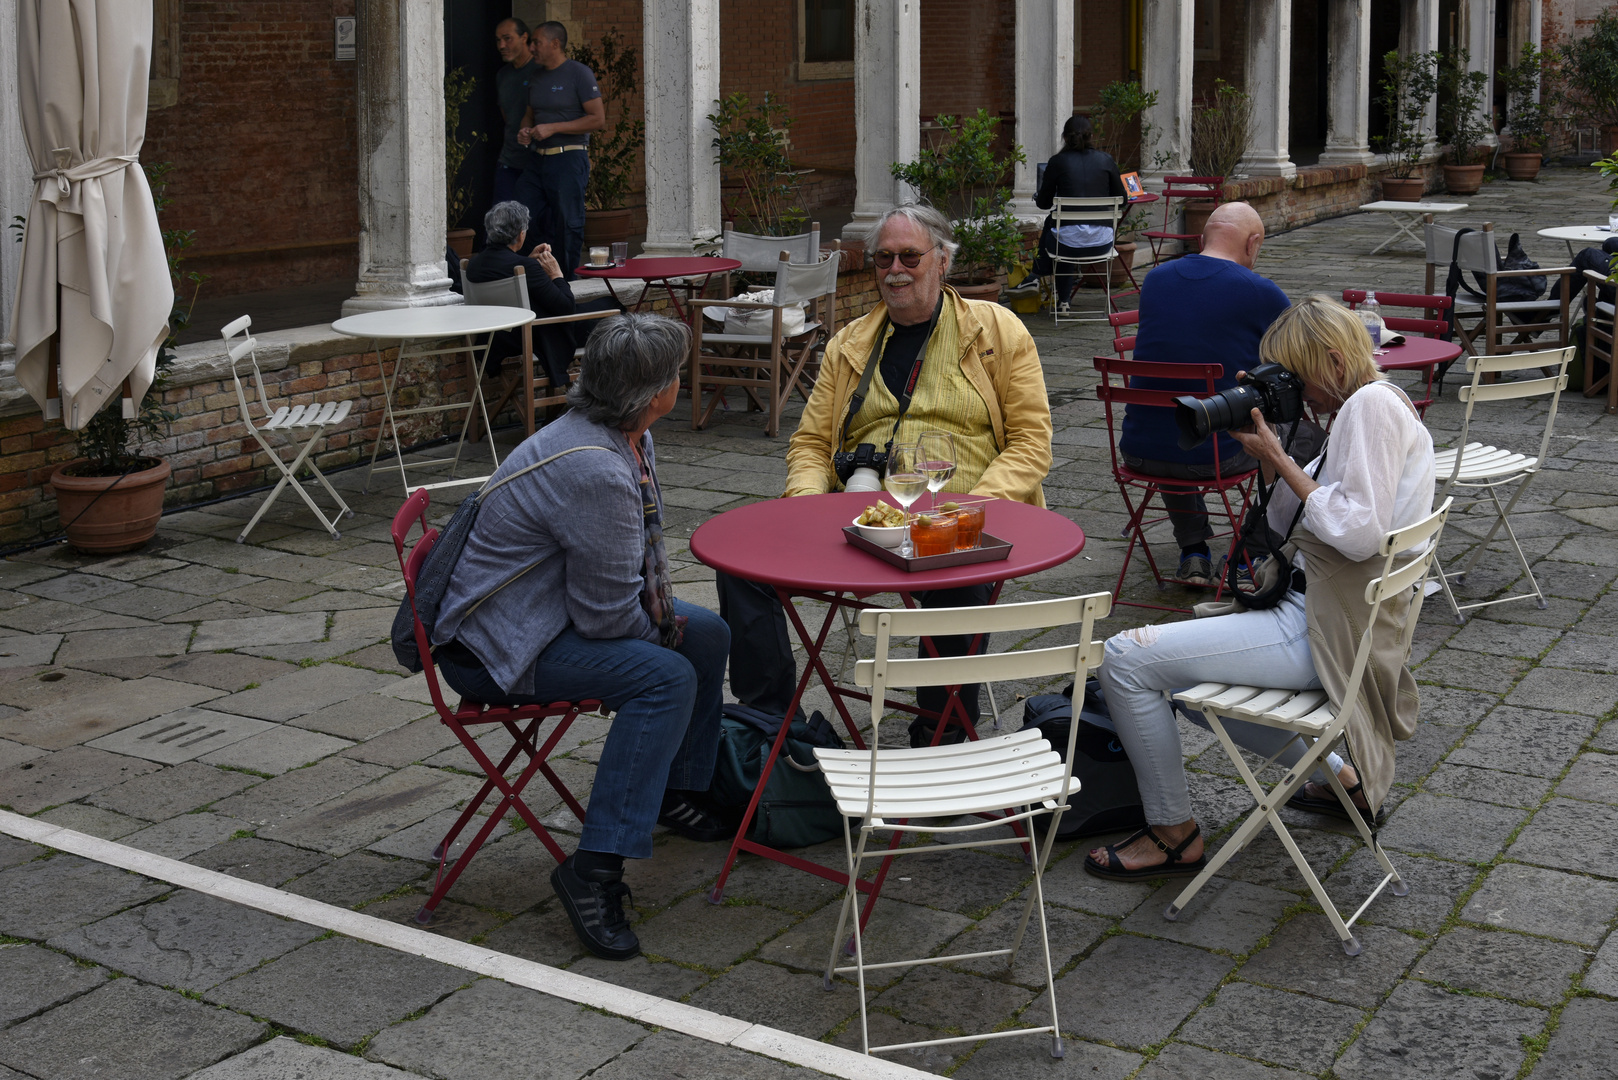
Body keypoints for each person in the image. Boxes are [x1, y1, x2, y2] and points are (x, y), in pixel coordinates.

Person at [1084, 296, 1436, 881]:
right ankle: (1339, 780)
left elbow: (1356, 533)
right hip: (1339, 619)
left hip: (1317, 626)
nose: (1298, 391)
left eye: (1297, 376)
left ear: (1330, 357)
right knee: (1180, 681)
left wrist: (1280, 455)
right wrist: (1274, 459)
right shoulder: (1380, 403)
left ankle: (1174, 834)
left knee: (1123, 660)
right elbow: (1285, 525)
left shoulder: (1369, 407)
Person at [432, 314, 730, 960]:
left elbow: (618, 593)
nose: (679, 381)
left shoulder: (622, 434)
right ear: (655, 393)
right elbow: (605, 618)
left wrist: (667, 622)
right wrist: (659, 631)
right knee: (666, 676)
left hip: (541, 613)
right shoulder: (593, 466)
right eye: (675, 374)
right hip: (496, 648)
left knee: (706, 635)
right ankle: (593, 869)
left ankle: (677, 790)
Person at [717, 204, 1053, 733]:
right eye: (883, 259)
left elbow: (1032, 442)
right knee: (740, 566)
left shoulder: (997, 331)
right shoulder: (850, 342)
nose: (894, 270)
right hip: (862, 517)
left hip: (957, 517)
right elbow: (809, 442)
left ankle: (938, 735)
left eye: (909, 257)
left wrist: (976, 505)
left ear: (943, 261)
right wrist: (805, 503)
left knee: (958, 583)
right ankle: (773, 725)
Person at [1121, 201, 1290, 586]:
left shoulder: (1156, 280)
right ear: (1254, 243)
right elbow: (1296, 361)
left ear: (1202, 239)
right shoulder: (1260, 291)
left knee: (1175, 419)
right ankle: (1251, 552)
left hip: (1141, 451)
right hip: (1217, 458)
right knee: (1299, 440)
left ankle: (1193, 550)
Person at [464, 201, 621, 388]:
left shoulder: (473, 265)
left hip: (502, 337)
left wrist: (528, 261)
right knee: (615, 308)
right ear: (520, 234)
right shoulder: (526, 268)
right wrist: (556, 274)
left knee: (606, 304)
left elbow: (513, 274)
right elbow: (566, 308)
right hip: (543, 333)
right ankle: (613, 391)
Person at [515, 21, 604, 281]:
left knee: (567, 224)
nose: (531, 48)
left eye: (536, 43)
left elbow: (598, 119)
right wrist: (524, 131)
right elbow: (529, 115)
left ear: (555, 44)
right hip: (537, 161)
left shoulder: (579, 73)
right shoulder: (536, 76)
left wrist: (554, 128)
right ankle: (530, 276)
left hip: (568, 158)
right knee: (520, 216)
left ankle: (565, 282)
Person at [1032, 115, 1128, 311]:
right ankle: (1058, 293)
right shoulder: (1106, 160)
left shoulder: (1057, 162)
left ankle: (1041, 277)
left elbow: (1043, 204)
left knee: (1058, 228)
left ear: (1065, 138)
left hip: (1065, 245)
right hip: (1102, 244)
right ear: (1091, 136)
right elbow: (1123, 200)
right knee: (1061, 228)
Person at [493, 18, 541, 225]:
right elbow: (507, 116)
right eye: (498, 40)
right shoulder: (503, 75)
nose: (502, 46)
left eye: (507, 39)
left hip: (539, 159)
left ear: (524, 38)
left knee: (534, 221)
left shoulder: (540, 72)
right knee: (500, 219)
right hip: (510, 158)